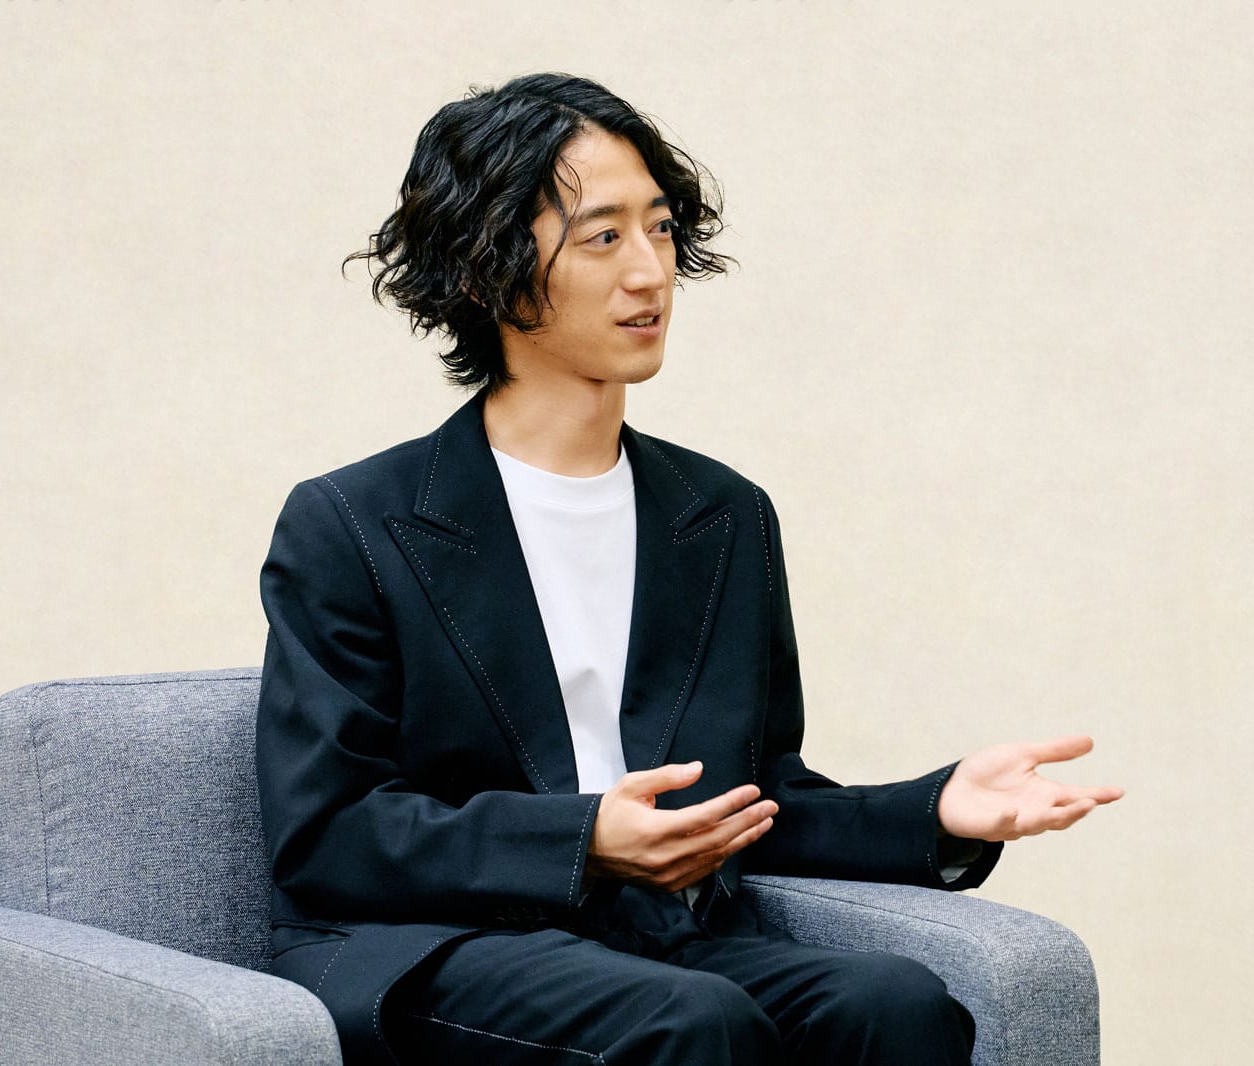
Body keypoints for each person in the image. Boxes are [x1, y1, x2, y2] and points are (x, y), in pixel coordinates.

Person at [255, 71, 1124, 1066]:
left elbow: (759, 800)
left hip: (646, 942)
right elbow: (328, 833)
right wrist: (579, 838)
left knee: (895, 1003)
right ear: (483, 271)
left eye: (661, 230)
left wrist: (934, 808)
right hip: (434, 948)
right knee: (690, 1021)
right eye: (603, 236)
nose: (650, 272)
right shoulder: (352, 523)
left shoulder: (720, 516)